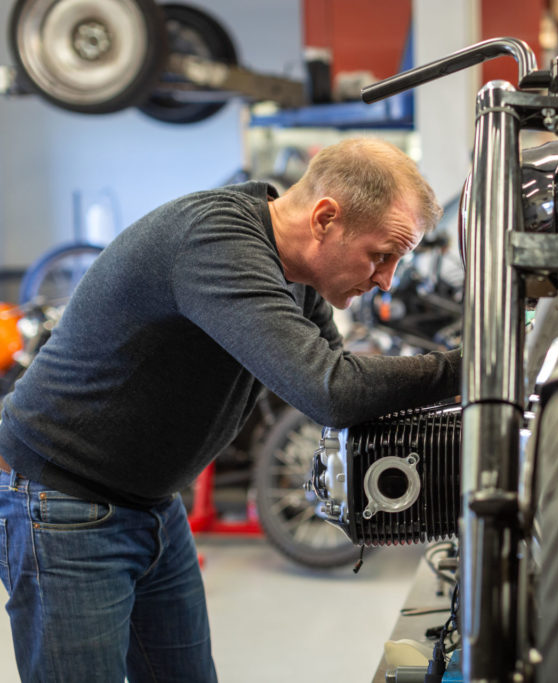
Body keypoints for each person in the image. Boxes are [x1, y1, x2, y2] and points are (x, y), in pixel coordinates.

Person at [0, 138, 461, 682]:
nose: (384, 278)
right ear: (325, 218)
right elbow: (330, 389)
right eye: (381, 254)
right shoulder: (216, 242)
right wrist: (469, 365)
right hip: (64, 501)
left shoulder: (296, 273)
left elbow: (341, 394)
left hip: (151, 504)